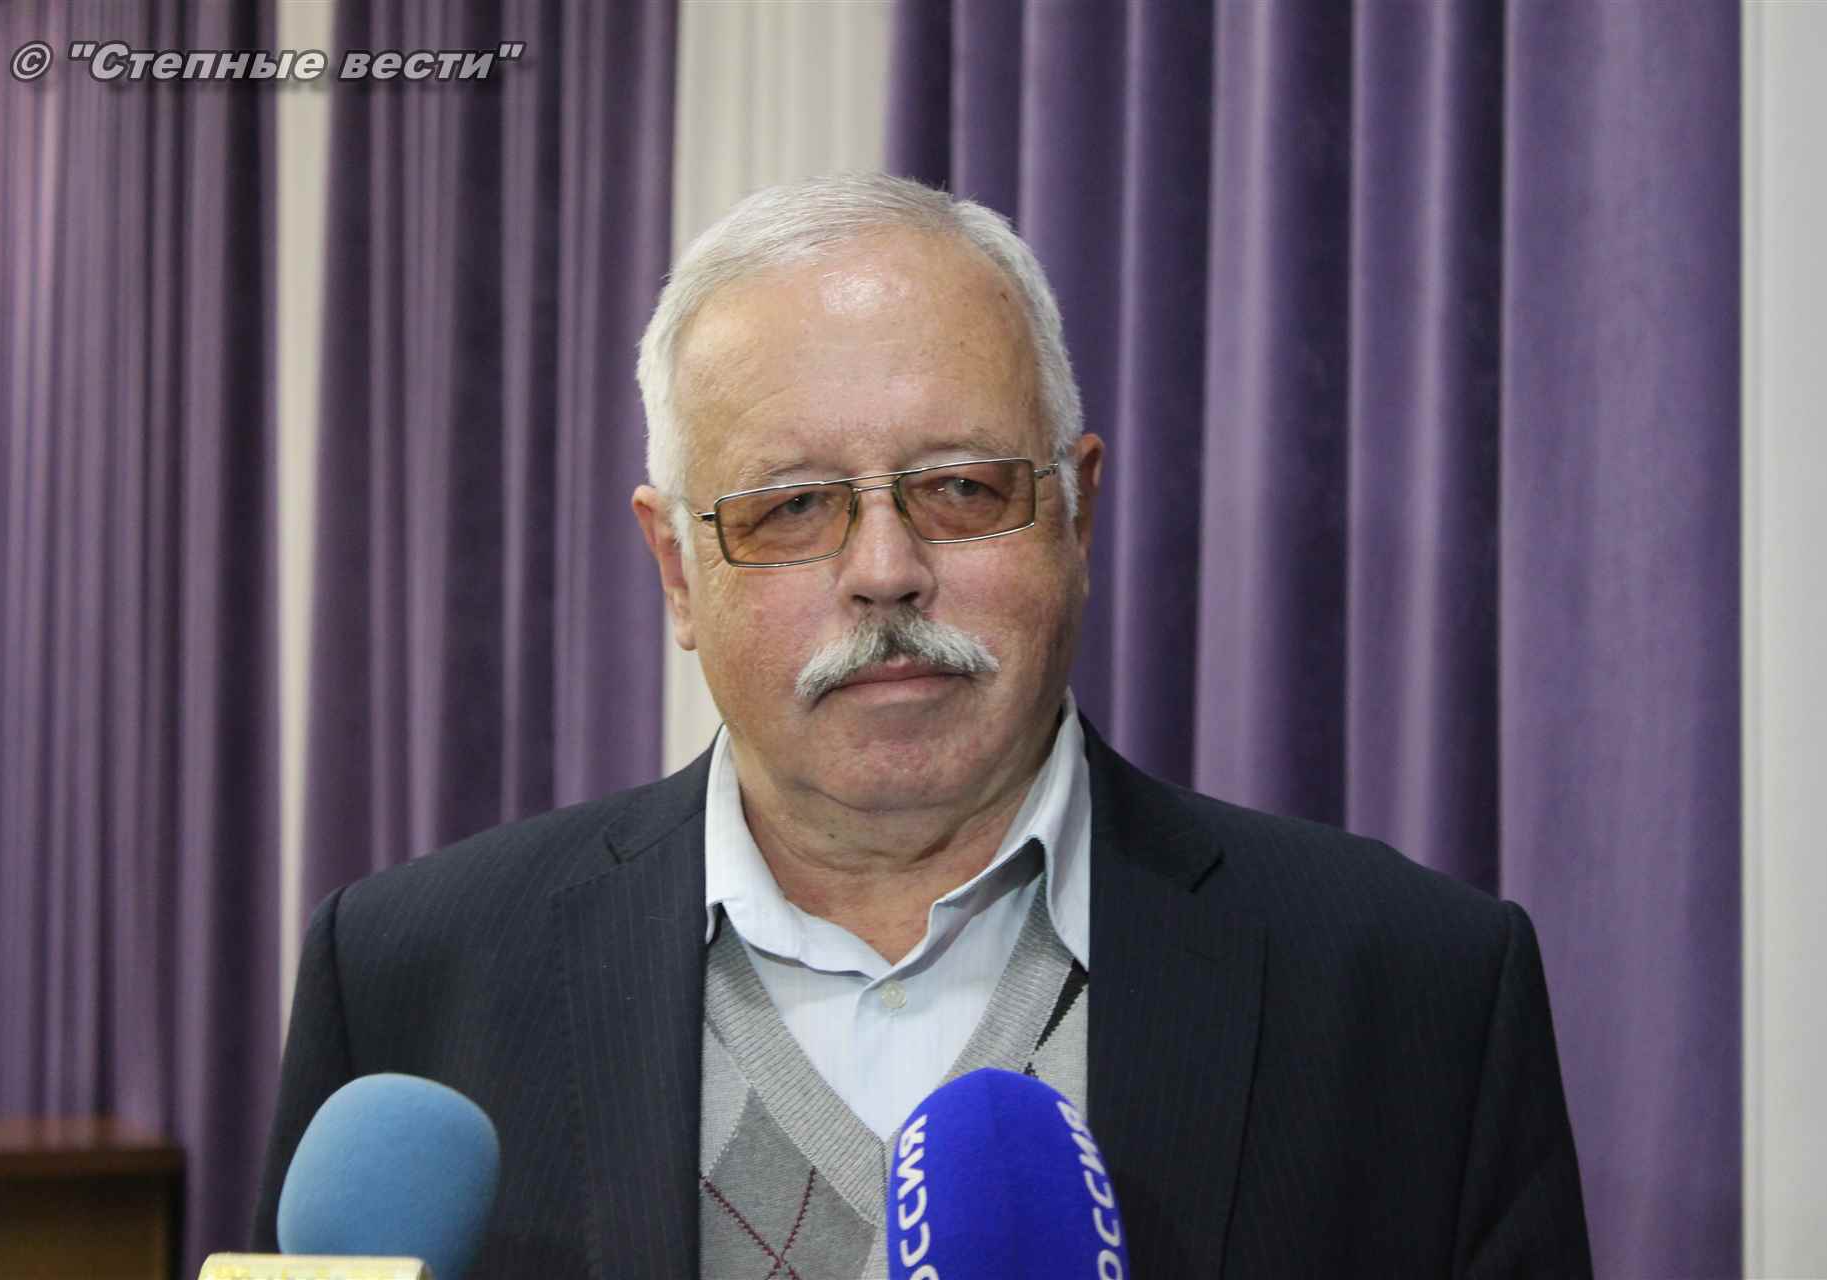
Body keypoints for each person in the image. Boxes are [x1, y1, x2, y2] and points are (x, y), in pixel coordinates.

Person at [254, 173, 1592, 1278]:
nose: (885, 570)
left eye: (960, 488)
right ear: (677, 571)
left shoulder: (1415, 992)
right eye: (791, 507)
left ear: (1077, 512)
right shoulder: (411, 979)